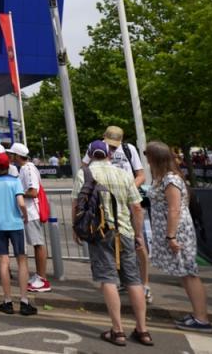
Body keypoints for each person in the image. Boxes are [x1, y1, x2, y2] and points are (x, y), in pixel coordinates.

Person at [73, 140, 151, 347]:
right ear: (109, 154)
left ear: (89, 155)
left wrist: (76, 229)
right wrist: (138, 235)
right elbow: (136, 208)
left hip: (99, 232)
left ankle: (117, 331)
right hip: (124, 231)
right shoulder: (124, 175)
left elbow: (76, 204)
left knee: (108, 279)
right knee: (133, 280)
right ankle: (142, 330)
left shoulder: (84, 174)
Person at [144, 141, 212, 333]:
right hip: (175, 232)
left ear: (155, 158)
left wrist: (171, 237)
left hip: (179, 233)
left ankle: (202, 318)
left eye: (148, 155)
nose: (146, 160)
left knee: (190, 275)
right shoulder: (164, 178)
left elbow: (174, 209)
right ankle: (198, 314)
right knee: (186, 275)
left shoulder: (171, 180)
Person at [83, 125, 151, 300]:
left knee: (138, 242)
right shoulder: (96, 147)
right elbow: (85, 170)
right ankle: (119, 282)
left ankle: (144, 284)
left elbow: (141, 175)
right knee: (108, 242)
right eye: (110, 144)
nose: (112, 149)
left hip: (126, 201)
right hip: (103, 204)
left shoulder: (129, 149)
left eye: (115, 145)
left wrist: (127, 191)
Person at [0, 153, 37, 316]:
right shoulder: (15, 181)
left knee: (4, 263)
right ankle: (24, 301)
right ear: (8, 166)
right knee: (22, 261)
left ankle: (7, 301)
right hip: (15, 225)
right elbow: (21, 203)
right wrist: (25, 215)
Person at [9, 142, 51, 293]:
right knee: (36, 243)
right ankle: (39, 276)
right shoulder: (25, 168)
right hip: (30, 211)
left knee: (38, 244)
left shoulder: (28, 169)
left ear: (17, 156)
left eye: (12, 154)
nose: (10, 157)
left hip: (32, 211)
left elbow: (33, 192)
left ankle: (42, 278)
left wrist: (17, 193)